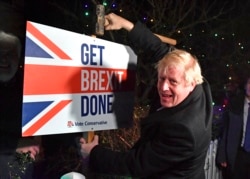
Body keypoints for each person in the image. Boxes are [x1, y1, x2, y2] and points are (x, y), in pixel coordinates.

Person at [79, 13, 213, 179]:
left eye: (173, 82)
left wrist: (93, 153)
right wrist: (126, 24)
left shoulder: (183, 131)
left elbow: (136, 164)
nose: (163, 87)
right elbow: (159, 49)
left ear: (191, 83)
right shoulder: (196, 80)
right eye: (161, 78)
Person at [0, 30, 40, 178]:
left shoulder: (27, 87)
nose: (4, 59)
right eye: (0, 52)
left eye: (9, 54)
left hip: (21, 160)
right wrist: (15, 144)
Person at [216, 75, 250, 179]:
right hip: (237, 154)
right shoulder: (235, 104)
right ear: (245, 86)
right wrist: (222, 155)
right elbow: (225, 131)